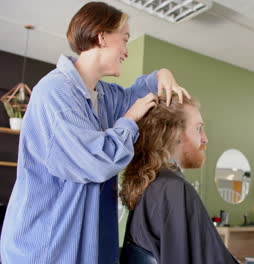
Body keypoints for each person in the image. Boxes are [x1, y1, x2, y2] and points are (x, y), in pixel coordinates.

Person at [0, 2, 189, 264]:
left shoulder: (103, 95)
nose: (126, 50)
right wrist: (129, 119)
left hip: (84, 244)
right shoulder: (55, 91)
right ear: (102, 37)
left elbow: (138, 94)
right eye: (124, 39)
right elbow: (95, 161)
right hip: (47, 246)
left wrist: (163, 75)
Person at [119, 96, 239, 264]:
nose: (205, 139)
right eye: (198, 129)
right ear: (174, 134)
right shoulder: (173, 187)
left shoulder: (151, 180)